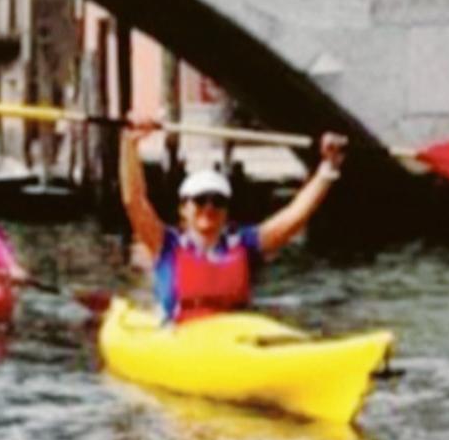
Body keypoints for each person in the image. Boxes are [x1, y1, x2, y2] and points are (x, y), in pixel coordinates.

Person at [118, 122, 347, 323]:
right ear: (183, 209)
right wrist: (130, 145)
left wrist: (328, 168)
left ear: (226, 210)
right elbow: (133, 200)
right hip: (181, 338)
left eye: (217, 201)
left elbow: (295, 217)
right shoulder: (165, 244)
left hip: (232, 337)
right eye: (200, 200)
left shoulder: (243, 244)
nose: (209, 208)